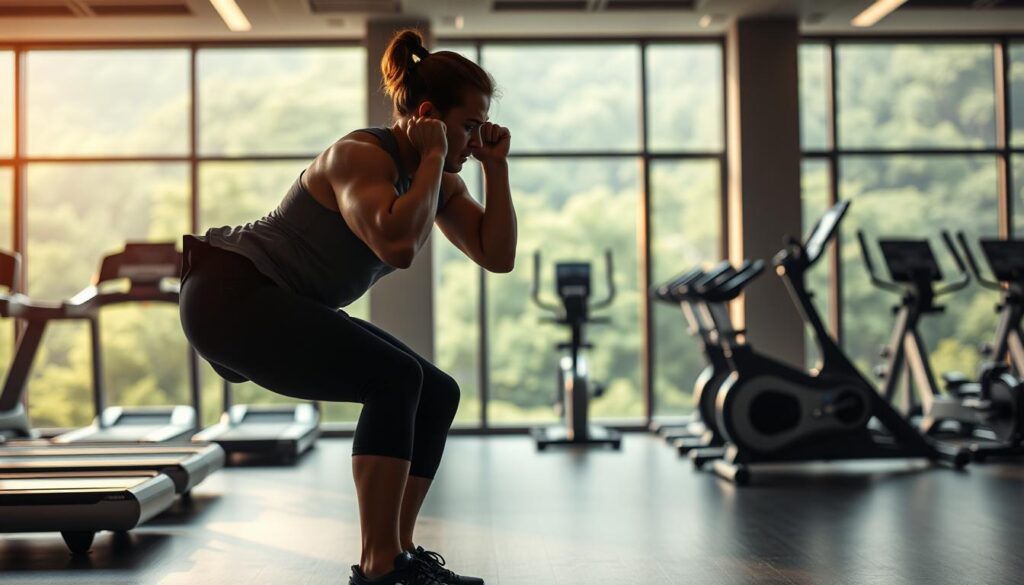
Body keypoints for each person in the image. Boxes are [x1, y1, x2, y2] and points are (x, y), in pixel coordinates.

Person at [178, 29, 515, 585]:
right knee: (394, 378)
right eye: (469, 127)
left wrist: (495, 169)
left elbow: (495, 254)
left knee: (437, 392)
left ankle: (399, 555)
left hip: (276, 300)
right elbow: (398, 246)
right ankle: (381, 566)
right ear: (429, 114)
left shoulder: (440, 178)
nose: (474, 141)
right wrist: (435, 155)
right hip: (229, 292)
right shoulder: (359, 156)